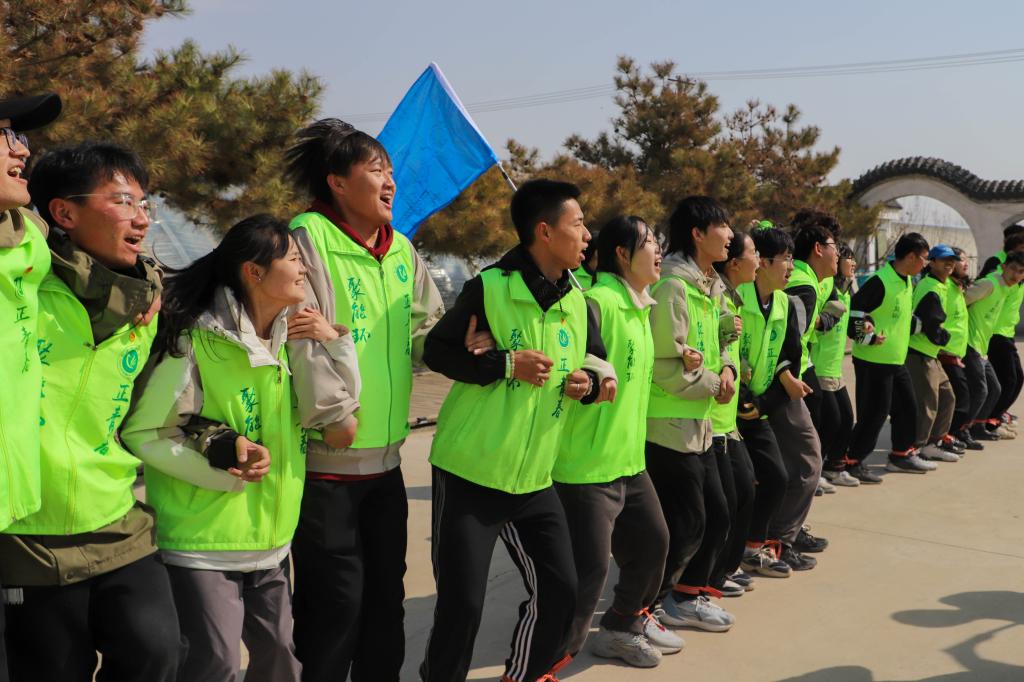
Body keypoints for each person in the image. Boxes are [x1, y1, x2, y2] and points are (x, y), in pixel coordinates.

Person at [122, 215, 361, 682]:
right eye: (293, 259)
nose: (305, 270)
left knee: (281, 660)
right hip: (202, 545)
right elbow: (145, 433)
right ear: (254, 272)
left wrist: (336, 344)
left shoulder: (294, 337)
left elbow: (343, 416)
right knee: (216, 664)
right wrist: (223, 471)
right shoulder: (197, 340)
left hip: (271, 540)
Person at [420, 179, 616, 682]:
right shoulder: (490, 288)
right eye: (578, 224)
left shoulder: (578, 300)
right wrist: (507, 363)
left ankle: (523, 675)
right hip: (470, 472)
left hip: (534, 478)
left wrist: (589, 383)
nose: (587, 235)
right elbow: (438, 351)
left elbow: (597, 363)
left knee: (562, 591)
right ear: (545, 232)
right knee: (462, 605)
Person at [0, 142, 179, 682]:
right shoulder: (26, 285)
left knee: (158, 654)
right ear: (64, 212)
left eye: (144, 203)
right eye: (122, 201)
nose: (141, 217)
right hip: (29, 538)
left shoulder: (145, 306)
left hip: (118, 520)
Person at [282, 118, 444, 681]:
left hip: (387, 462)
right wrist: (336, 416)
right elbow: (300, 335)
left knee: (384, 602)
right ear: (337, 183)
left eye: (391, 171)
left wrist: (467, 345)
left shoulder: (401, 249)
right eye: (376, 170)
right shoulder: (307, 238)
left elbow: (426, 330)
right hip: (328, 462)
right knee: (334, 607)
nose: (390, 182)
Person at [553, 215, 678, 668]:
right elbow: (571, 360)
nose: (659, 251)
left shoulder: (639, 307)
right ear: (622, 254)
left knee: (653, 546)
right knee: (587, 577)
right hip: (585, 467)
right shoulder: (597, 302)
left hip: (628, 461)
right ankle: (547, 662)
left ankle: (622, 626)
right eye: (650, 242)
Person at [644, 196, 737, 632]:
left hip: (700, 419)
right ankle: (644, 608)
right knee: (687, 522)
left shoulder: (710, 285)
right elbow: (664, 365)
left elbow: (716, 345)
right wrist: (715, 383)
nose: (730, 234)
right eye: (723, 225)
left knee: (714, 515)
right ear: (698, 234)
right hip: (668, 423)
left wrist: (728, 367)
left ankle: (684, 595)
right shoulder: (673, 286)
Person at [0, 92, 61, 682]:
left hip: (14, 504)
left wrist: (141, 286)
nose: (22, 150)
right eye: (6, 136)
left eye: (21, 137)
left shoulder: (30, 237)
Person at [736, 224, 803, 579]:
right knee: (740, 484)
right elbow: (723, 354)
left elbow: (790, 355)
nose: (791, 267)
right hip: (727, 407)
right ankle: (727, 555)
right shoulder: (736, 296)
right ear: (761, 262)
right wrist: (744, 401)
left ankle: (751, 548)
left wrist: (764, 403)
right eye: (785, 259)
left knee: (776, 476)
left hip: (760, 407)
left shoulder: (784, 303)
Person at [846, 232, 933, 478]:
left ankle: (901, 456)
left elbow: (899, 318)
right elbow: (854, 311)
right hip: (873, 361)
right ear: (911, 257)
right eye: (924, 259)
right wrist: (867, 338)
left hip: (895, 360)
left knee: (907, 408)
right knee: (874, 415)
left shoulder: (907, 281)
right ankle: (851, 461)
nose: (925, 264)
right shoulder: (880, 281)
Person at [708, 228, 760, 595]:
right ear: (735, 263)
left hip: (727, 418)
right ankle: (707, 577)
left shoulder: (732, 297)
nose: (758, 261)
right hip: (710, 418)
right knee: (724, 502)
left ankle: (725, 567)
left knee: (743, 491)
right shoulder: (713, 294)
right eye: (753, 253)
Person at [905, 245, 960, 464]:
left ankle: (932, 444)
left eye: (952, 260)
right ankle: (916, 449)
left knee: (948, 397)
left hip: (930, 354)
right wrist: (944, 338)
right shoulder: (930, 287)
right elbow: (931, 322)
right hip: (919, 353)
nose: (950, 263)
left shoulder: (940, 285)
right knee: (927, 403)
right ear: (932, 262)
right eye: (944, 259)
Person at [962, 250, 1024, 442]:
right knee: (981, 390)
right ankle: (960, 430)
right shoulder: (990, 283)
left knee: (995, 389)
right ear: (1003, 267)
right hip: (970, 343)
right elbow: (960, 302)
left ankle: (979, 425)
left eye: (1021, 272)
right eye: (1013, 269)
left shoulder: (1005, 288)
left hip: (982, 345)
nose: (1016, 275)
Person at [818, 243, 859, 486]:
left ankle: (834, 467)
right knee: (831, 420)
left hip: (836, 369)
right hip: (820, 367)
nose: (853, 263)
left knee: (846, 419)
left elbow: (853, 328)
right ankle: (817, 471)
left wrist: (868, 333)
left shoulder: (846, 292)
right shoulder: (827, 289)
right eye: (848, 258)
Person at [977, 228, 1024, 432]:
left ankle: (995, 417)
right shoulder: (998, 267)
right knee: (1008, 380)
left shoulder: (1018, 270)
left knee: (1014, 379)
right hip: (995, 331)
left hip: (1006, 331)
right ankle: (990, 420)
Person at [939, 248, 979, 450]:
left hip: (957, 354)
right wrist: (943, 349)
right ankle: (946, 437)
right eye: (960, 260)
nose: (965, 263)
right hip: (945, 353)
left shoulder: (957, 287)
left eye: (965, 259)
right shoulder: (944, 287)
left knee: (960, 399)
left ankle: (951, 435)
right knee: (959, 400)